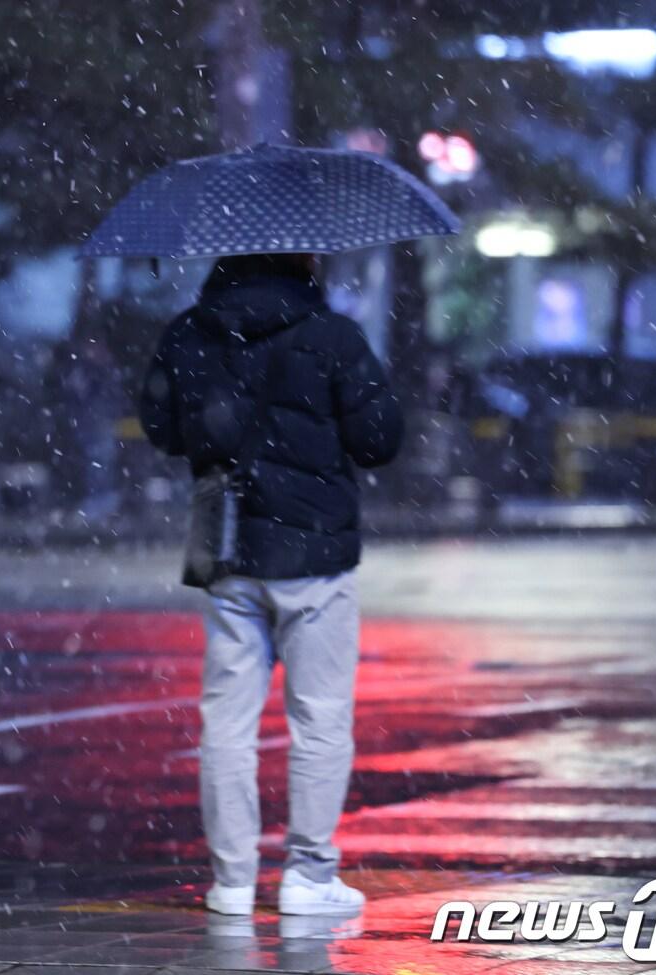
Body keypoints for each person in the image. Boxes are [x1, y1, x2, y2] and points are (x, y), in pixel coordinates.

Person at [139, 252, 403, 917]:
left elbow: (161, 428)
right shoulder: (332, 335)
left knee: (226, 720)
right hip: (315, 549)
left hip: (228, 541)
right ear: (301, 258)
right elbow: (378, 438)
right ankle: (308, 874)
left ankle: (231, 879)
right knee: (319, 718)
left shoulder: (188, 331)